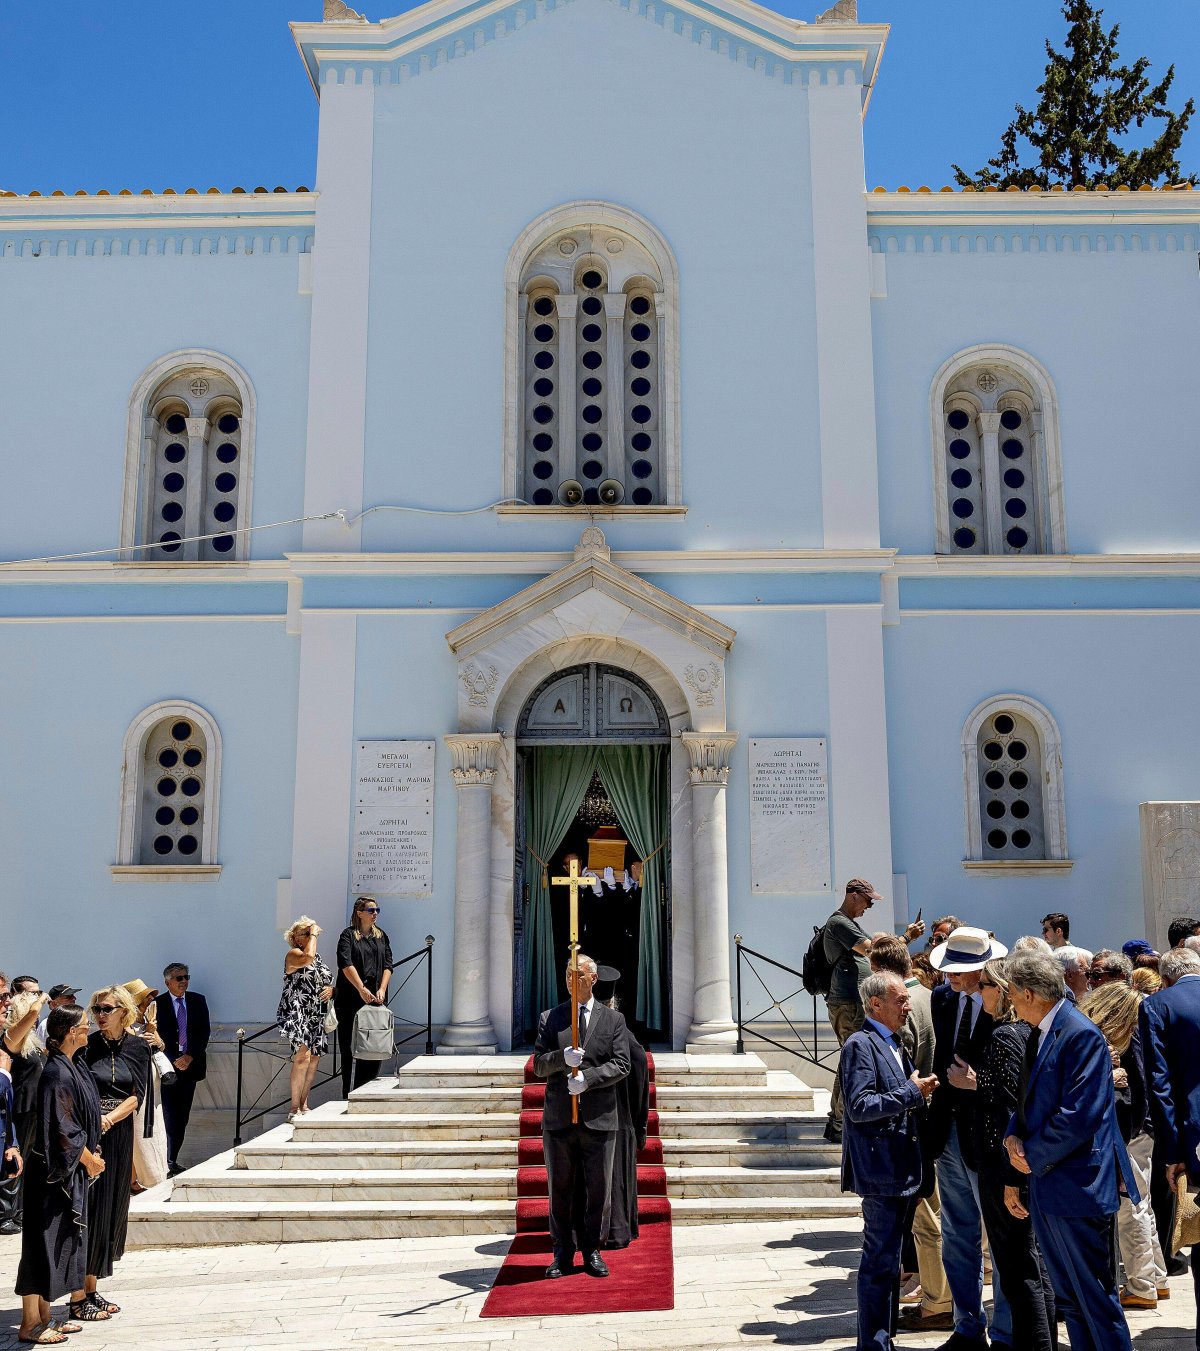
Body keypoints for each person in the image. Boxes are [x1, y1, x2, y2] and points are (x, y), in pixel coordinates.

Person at [1003, 953, 1136, 1351]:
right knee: (1071, 1302)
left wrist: (1028, 1152)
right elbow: (1027, 1100)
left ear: (1029, 993)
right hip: (1051, 1186)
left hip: (1077, 1188)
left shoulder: (1079, 1034)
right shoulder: (1039, 1032)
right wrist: (1013, 1136)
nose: (1010, 1001)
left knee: (1095, 1300)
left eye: (1012, 993)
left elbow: (1079, 1115)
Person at [839, 971, 938, 1350]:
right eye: (900, 1000)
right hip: (882, 1171)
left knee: (891, 1261)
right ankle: (874, 1343)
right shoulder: (860, 1045)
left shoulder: (896, 1043)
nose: (908, 1006)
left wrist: (917, 1092)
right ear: (875, 1004)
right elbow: (860, 1106)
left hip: (903, 1169)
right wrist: (911, 1091)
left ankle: (884, 1336)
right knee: (879, 1262)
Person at [927, 925, 1012, 1351]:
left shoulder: (1008, 1005)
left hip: (991, 1136)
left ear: (983, 969)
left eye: (960, 970)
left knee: (1000, 1237)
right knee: (957, 1234)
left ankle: (1007, 1331)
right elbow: (943, 1058)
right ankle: (967, 1327)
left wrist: (979, 1085)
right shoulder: (942, 999)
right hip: (950, 1136)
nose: (951, 977)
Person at [969, 958, 1058, 1350]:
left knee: (1021, 1269)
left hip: (1006, 1167)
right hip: (1023, 1166)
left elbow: (1010, 1113)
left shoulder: (1008, 1038)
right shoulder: (1029, 1033)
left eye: (986, 984)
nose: (978, 990)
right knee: (1033, 1268)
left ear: (1005, 990)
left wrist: (1011, 1180)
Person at [869, 934, 952, 1334]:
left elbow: (900, 1077)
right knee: (934, 1214)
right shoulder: (930, 995)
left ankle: (938, 1302)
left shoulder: (900, 1010)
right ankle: (941, 1296)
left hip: (911, 1126)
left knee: (925, 1220)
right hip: (929, 1121)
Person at [533, 952, 630, 1279]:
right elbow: (538, 1065)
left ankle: (592, 1249)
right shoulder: (551, 1018)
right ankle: (562, 1250)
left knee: (597, 1189)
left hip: (599, 1119)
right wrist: (563, 1057)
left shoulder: (613, 1020)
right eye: (567, 976)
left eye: (578, 976)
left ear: (593, 979)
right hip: (560, 1118)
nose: (571, 982)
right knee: (560, 1187)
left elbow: (621, 1064)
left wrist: (586, 1079)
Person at [15, 1003, 104, 1346]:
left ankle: (44, 1315)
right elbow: (62, 1129)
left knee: (54, 1245)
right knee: (39, 1247)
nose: (89, 1028)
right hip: (49, 1176)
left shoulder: (70, 1065)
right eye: (84, 1024)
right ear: (71, 1033)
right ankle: (28, 1323)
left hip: (63, 1173)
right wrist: (88, 1160)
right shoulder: (55, 1072)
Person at [1080, 980, 1166, 1310]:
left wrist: (1128, 1138)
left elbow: (1140, 1089)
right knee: (1140, 1205)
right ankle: (1154, 1279)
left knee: (1132, 1210)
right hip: (1136, 1133)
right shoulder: (1121, 1037)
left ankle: (1143, 1285)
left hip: (1130, 1134)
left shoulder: (1124, 1039)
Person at [822, 880, 923, 1143]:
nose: (869, 906)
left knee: (849, 1061)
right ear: (853, 896)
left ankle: (838, 1123)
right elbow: (873, 952)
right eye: (868, 900)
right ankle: (839, 1125)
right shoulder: (840, 923)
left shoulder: (849, 923)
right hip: (848, 1002)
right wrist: (906, 938)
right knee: (852, 1062)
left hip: (851, 1001)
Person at [78, 984, 149, 1321]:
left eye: (106, 1009)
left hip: (118, 1133)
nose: (100, 1016)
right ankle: (81, 1291)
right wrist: (97, 1122)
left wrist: (109, 1119)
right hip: (90, 1133)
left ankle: (92, 1287)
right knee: (90, 1209)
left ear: (124, 1011)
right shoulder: (87, 1046)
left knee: (111, 1208)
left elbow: (138, 1096)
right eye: (96, 1010)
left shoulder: (137, 1047)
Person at [1140, 944, 1200, 1343]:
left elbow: (1158, 1084)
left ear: (1165, 977)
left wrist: (1172, 1153)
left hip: (1193, 1140)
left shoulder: (1158, 1006)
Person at [591, 964, 648, 1250]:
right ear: (614, 1000)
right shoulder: (619, 1027)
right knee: (617, 1176)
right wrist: (640, 1121)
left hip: (592, 1114)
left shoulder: (583, 1028)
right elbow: (638, 1066)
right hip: (621, 1112)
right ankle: (619, 1229)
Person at [334, 896, 394, 1099]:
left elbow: (388, 965)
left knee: (374, 1045)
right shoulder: (348, 936)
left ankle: (366, 1090)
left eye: (377, 909)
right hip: (351, 1000)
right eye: (370, 910)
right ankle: (348, 1094)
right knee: (349, 1047)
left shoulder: (381, 936)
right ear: (359, 913)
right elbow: (345, 963)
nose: (375, 913)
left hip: (375, 1000)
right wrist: (360, 988)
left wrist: (382, 990)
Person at [155, 963, 210, 1177]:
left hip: (190, 1066)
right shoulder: (158, 1004)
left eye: (186, 977)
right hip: (168, 1068)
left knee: (182, 1116)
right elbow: (155, 1035)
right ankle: (165, 1160)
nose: (184, 981)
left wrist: (189, 1056)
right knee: (167, 1115)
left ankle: (173, 1159)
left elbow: (203, 1032)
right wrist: (172, 1059)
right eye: (179, 978)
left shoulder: (197, 1001)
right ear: (167, 981)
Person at [0, 988, 48, 1235]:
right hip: (20, 1108)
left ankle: (20, 1211)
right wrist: (39, 998)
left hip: (36, 1107)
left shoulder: (32, 1040)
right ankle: (5, 1214)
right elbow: (33, 1013)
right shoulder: (11, 1038)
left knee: (28, 1161)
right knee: (14, 1160)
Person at [278, 917, 334, 1121]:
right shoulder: (294, 954)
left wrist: (331, 990)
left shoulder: (317, 958)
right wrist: (314, 933)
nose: (310, 935)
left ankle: (304, 1103)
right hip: (299, 1012)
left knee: (313, 1059)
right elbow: (307, 959)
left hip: (316, 1014)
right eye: (306, 933)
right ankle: (293, 1108)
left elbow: (327, 980)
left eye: (310, 932)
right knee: (302, 1057)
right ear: (295, 938)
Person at [122, 980, 169, 1192]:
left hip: (153, 1087)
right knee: (139, 1134)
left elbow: (160, 1046)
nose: (151, 1000)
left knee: (153, 1130)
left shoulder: (148, 1022)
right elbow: (135, 1050)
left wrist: (155, 1035)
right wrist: (149, 1030)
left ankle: (146, 1176)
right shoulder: (125, 1027)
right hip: (135, 1088)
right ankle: (139, 1178)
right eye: (146, 997)